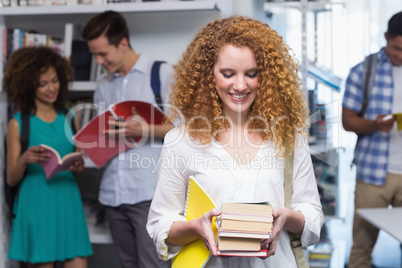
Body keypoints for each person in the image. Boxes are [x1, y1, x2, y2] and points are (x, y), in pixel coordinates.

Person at [146, 16, 324, 267]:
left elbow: (313, 217)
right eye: (228, 74)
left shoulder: (287, 136)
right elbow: (160, 225)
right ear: (208, 75)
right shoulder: (180, 141)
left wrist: (286, 217)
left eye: (252, 74)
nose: (240, 85)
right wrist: (196, 227)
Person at [81, 10, 173, 268]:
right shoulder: (104, 86)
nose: (99, 61)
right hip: (112, 194)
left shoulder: (161, 74)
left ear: (122, 43)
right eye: (94, 55)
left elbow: (187, 130)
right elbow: (105, 134)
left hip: (148, 193)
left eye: (103, 54)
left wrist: (145, 130)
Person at [3, 46, 92, 267]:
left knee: (79, 261)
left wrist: (78, 165)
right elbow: (11, 179)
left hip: (68, 199)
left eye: (54, 81)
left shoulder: (71, 118)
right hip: (36, 203)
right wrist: (25, 159)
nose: (51, 88)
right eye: (43, 84)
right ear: (28, 86)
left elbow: (78, 166)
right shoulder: (18, 124)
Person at [342, 11, 402, 268]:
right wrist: (374, 124)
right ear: (386, 37)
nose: (401, 55)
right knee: (362, 248)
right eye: (397, 48)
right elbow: (347, 121)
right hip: (372, 174)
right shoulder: (363, 71)